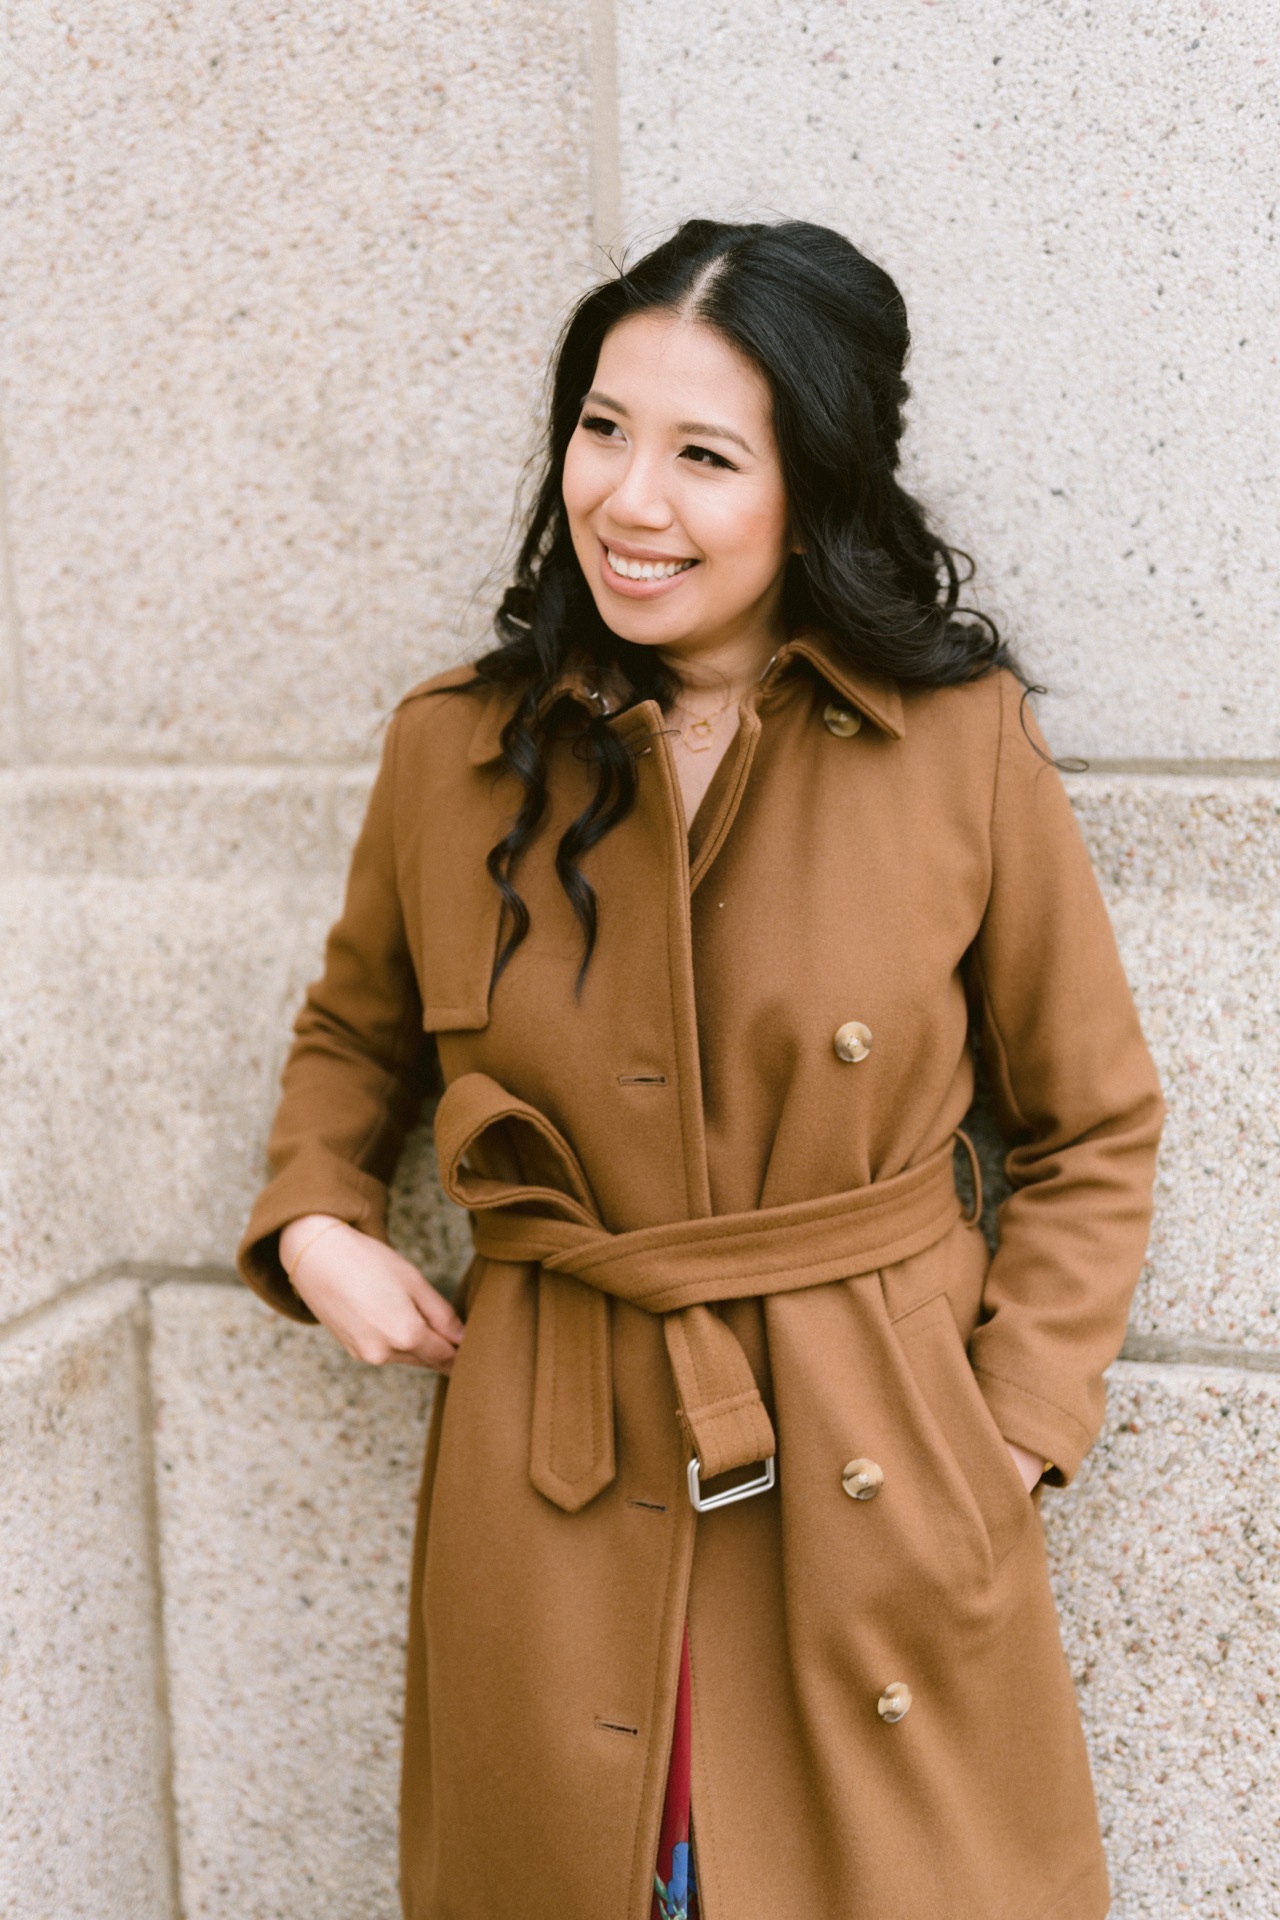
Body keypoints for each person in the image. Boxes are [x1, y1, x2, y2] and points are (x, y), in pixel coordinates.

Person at [238, 219, 1163, 1920]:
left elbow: (1094, 1124)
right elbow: (352, 1036)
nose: (628, 500)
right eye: (602, 428)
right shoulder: (452, 751)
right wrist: (316, 1220)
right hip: (555, 1458)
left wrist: (1008, 1437)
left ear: (813, 482)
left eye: (703, 455)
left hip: (873, 1459)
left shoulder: (957, 742)